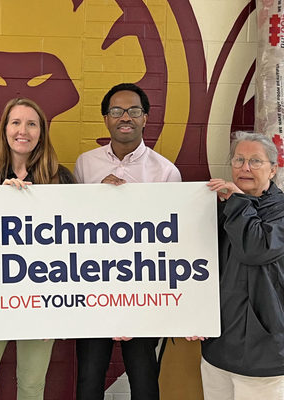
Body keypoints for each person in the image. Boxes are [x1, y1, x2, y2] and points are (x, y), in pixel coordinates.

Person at [73, 83, 181, 400]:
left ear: (145, 118)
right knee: (90, 377)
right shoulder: (85, 164)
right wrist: (97, 196)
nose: (125, 117)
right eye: (117, 111)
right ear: (106, 118)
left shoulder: (166, 172)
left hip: (144, 289)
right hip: (95, 286)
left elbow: (173, 237)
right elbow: (72, 222)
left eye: (134, 111)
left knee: (144, 378)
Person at [0, 98, 74, 400]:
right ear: (5, 129)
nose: (22, 130)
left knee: (31, 384)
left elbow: (76, 241)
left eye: (31, 123)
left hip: (42, 295)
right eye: (16, 122)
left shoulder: (60, 177)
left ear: (41, 132)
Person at [188, 132, 284, 400]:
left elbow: (255, 249)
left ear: (273, 169)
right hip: (219, 347)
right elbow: (197, 267)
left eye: (255, 161)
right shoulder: (225, 208)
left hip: (263, 351)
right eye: (238, 160)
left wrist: (237, 202)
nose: (245, 168)